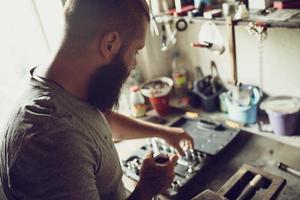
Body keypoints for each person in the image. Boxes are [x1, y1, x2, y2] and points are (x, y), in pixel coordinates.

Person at [0, 0, 194, 199]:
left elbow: (99, 121)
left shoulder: (62, 84)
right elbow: (73, 132)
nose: (134, 63)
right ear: (110, 44)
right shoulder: (52, 138)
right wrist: (147, 188)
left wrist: (164, 132)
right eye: (136, 50)